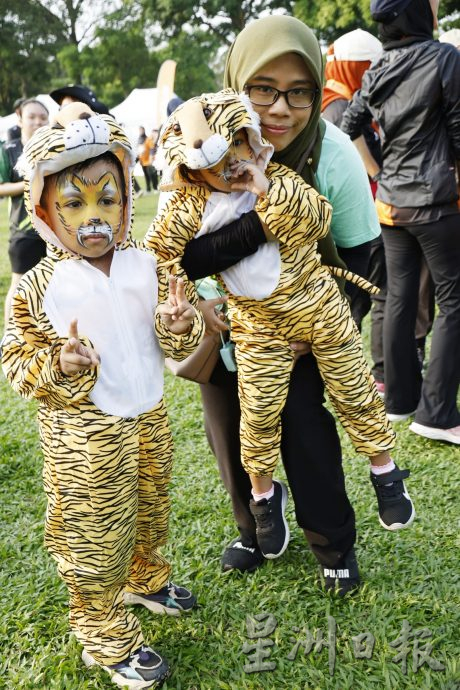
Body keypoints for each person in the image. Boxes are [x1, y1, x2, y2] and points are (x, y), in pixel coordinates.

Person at [146, 87, 415, 562]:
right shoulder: (189, 205)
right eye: (216, 163)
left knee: (352, 387)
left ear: (252, 142)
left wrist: (266, 191)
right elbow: (163, 257)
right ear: (190, 168)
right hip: (257, 324)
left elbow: (316, 220)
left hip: (317, 303)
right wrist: (183, 301)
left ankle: (385, 471)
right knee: (257, 416)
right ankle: (265, 501)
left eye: (240, 151)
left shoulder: (280, 177)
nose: (232, 167)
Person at [1, 102, 204, 689]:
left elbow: (170, 333)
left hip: (148, 417)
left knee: (149, 510)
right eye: (74, 203)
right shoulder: (39, 286)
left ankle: (145, 578)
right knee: (94, 532)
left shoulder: (149, 264)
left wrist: (178, 320)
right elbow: (16, 361)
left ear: (126, 198)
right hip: (86, 437)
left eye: (106, 200)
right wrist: (58, 364)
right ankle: (104, 631)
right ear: (43, 209)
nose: (93, 219)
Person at [341, 0, 460, 443]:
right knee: (453, 302)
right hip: (436, 204)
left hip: (391, 205)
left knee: (397, 299)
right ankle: (437, 413)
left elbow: (350, 123)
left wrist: (377, 174)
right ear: (417, 16)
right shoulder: (444, 57)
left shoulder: (380, 66)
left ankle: (399, 402)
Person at [0, 98, 49, 325]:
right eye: (31, 117)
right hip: (24, 231)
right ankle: (9, 339)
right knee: (19, 285)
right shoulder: (8, 151)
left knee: (56, 283)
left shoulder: (56, 147)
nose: (38, 122)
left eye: (43, 117)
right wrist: (29, 182)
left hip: (55, 231)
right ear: (19, 119)